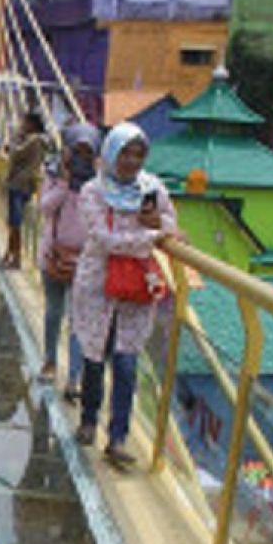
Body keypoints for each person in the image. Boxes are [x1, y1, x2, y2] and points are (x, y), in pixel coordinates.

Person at [71, 122, 177, 468]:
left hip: (135, 288)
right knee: (94, 355)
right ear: (111, 153)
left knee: (127, 363)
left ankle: (117, 437)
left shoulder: (152, 188)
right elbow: (103, 239)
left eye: (139, 154)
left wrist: (157, 224)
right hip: (98, 285)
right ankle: (89, 419)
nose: (131, 161)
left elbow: (172, 226)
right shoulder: (93, 191)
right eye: (125, 153)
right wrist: (150, 237)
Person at [37, 123, 100, 400]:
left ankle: (73, 377)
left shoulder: (100, 185)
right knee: (54, 312)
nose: (81, 158)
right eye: (77, 151)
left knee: (79, 321)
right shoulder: (53, 174)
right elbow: (44, 208)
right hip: (53, 254)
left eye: (88, 153)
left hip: (85, 261)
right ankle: (50, 361)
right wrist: (63, 182)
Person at [2, 111, 49, 270]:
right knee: (13, 223)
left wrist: (15, 138)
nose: (23, 124)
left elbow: (15, 154)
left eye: (25, 121)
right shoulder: (35, 140)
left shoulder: (34, 140)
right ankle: (9, 253)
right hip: (21, 184)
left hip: (20, 184)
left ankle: (16, 258)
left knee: (15, 223)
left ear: (32, 124)